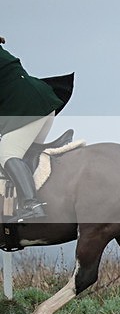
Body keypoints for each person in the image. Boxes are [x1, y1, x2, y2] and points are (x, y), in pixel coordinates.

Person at [0, 36, 72, 222]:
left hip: (29, 108)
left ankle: (32, 205)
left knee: (8, 154)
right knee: (25, 154)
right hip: (43, 102)